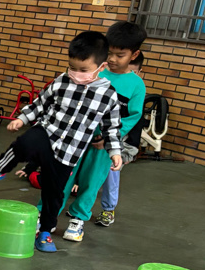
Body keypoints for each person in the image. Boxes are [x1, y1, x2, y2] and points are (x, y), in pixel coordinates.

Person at [0, 31, 122, 253]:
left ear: (101, 67)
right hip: (47, 132)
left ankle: (45, 231)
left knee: (54, 194)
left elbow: (112, 128)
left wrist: (114, 152)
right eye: (72, 67)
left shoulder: (108, 95)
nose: (76, 74)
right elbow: (40, 104)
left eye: (83, 70)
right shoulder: (62, 81)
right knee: (25, 142)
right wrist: (22, 118)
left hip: (69, 152)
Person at [60, 21, 147, 241]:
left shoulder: (136, 85)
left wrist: (109, 137)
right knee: (62, 177)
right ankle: (46, 214)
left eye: (120, 55)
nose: (113, 59)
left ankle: (78, 220)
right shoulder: (95, 72)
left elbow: (132, 117)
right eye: (109, 53)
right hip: (75, 138)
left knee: (92, 182)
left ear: (134, 54)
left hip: (103, 145)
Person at [96, 51, 146, 228]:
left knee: (111, 173)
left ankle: (108, 209)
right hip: (92, 135)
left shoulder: (136, 87)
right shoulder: (100, 75)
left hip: (113, 140)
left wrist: (127, 151)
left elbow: (135, 125)